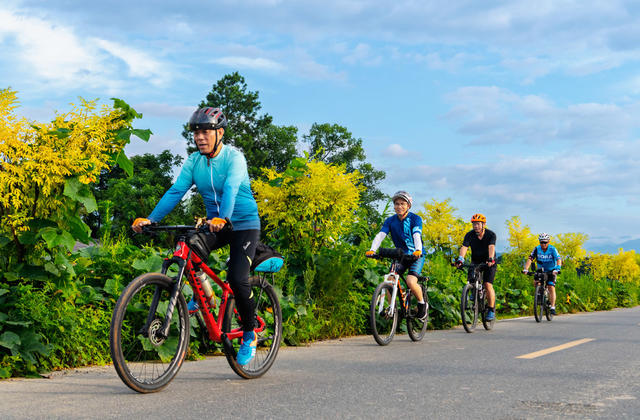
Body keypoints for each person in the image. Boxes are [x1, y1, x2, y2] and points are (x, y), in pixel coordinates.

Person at [131, 107, 261, 366]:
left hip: (243, 225)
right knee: (189, 247)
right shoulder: (194, 162)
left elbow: (232, 188)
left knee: (237, 278)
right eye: (196, 133)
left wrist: (223, 217)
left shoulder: (234, 158)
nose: (200, 137)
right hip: (214, 224)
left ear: (220, 133)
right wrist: (151, 218)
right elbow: (177, 190)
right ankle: (205, 295)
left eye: (206, 132)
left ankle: (249, 333)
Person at [366, 191, 427, 320]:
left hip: (416, 255)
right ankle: (391, 307)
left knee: (410, 281)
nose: (399, 206)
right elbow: (381, 235)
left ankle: (422, 304)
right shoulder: (390, 220)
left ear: (408, 205)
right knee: (390, 279)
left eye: (403, 204)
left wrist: (418, 250)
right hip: (400, 255)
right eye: (397, 204)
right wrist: (372, 250)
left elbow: (417, 235)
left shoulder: (415, 219)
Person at [455, 213, 497, 321]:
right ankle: (473, 291)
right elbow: (464, 247)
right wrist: (460, 259)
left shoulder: (490, 235)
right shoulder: (469, 235)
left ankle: (491, 309)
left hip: (489, 262)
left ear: (483, 225)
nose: (476, 226)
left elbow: (491, 247)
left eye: (478, 224)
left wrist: (491, 258)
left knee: (488, 285)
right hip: (476, 261)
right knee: (471, 279)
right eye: (474, 224)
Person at [522, 233, 562, 315]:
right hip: (541, 270)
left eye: (545, 242)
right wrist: (526, 269)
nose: (543, 244)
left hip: (551, 270)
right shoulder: (537, 249)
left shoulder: (553, 249)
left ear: (549, 242)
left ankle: (552, 307)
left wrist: (558, 268)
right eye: (541, 242)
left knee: (551, 286)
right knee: (536, 283)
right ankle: (539, 296)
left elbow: (558, 259)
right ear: (539, 242)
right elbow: (530, 259)